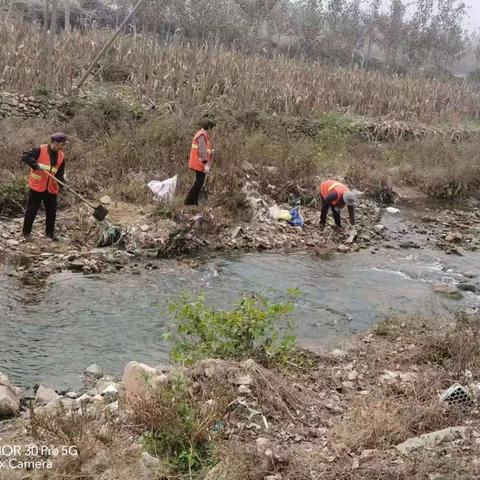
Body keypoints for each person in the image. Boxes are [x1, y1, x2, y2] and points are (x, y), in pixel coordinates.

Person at [22, 133, 67, 241]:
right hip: (38, 186)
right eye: (62, 144)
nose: (63, 146)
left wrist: (63, 184)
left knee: (51, 212)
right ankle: (26, 233)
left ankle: (49, 234)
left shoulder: (61, 155)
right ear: (55, 143)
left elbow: (59, 173)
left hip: (51, 187)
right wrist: (35, 165)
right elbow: (25, 156)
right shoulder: (39, 149)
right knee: (32, 210)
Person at [185, 118, 216, 206]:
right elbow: (202, 150)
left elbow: (205, 150)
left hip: (200, 163)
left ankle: (193, 202)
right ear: (209, 128)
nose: (213, 131)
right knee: (198, 183)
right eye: (213, 129)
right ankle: (188, 202)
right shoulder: (202, 135)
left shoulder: (204, 136)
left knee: (199, 183)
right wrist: (206, 163)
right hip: (199, 163)